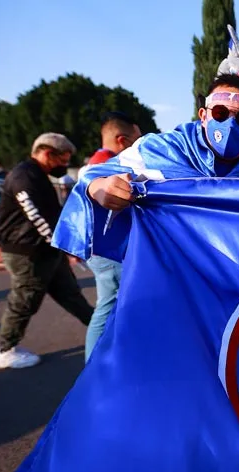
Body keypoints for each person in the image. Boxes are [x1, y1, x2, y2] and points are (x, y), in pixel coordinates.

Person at [54, 73, 239, 262]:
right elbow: (93, 176)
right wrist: (100, 188)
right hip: (169, 270)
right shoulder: (159, 148)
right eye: (220, 113)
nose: (230, 124)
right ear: (204, 116)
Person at [0, 133, 94, 369]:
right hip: (27, 252)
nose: (64, 166)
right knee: (24, 300)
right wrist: (67, 245)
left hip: (46, 249)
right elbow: (37, 217)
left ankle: (104, 331)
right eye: (63, 160)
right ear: (48, 154)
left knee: (71, 294)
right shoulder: (24, 177)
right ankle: (5, 350)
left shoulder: (37, 175)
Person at [82, 112, 143, 362]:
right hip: (107, 250)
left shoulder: (96, 162)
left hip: (100, 248)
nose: (141, 145)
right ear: (122, 140)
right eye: (137, 140)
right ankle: (93, 365)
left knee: (108, 304)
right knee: (108, 307)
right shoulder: (108, 166)